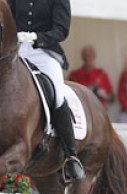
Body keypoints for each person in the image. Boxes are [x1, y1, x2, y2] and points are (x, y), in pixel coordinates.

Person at [8, 0, 84, 181]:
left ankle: (70, 156)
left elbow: (61, 30)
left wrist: (36, 37)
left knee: (57, 95)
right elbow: (6, 19)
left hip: (43, 52)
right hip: (15, 50)